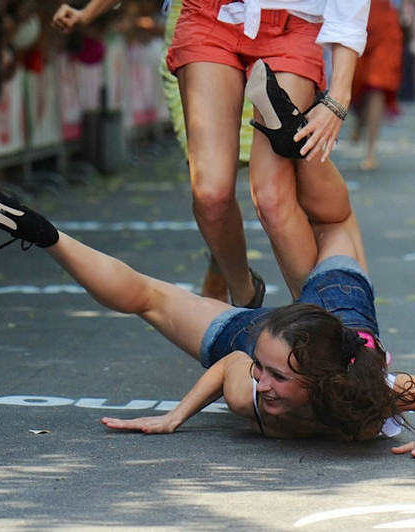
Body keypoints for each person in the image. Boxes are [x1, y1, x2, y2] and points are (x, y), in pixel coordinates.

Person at [0, 180, 415, 458]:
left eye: (273, 377)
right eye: (262, 371)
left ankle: (292, 128)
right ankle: (42, 232)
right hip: (312, 315)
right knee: (335, 219)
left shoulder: (366, 391)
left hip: (295, 331)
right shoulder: (255, 385)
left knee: (154, 297)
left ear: (325, 383)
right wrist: (175, 416)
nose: (258, 381)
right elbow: (235, 360)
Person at [51, 0, 367, 307]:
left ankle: (327, 328)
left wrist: (338, 97)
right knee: (210, 196)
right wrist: (88, 12)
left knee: (272, 198)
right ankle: (245, 300)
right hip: (208, 17)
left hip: (292, 23)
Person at [349, 0, 405, 171]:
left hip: (386, 27)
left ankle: (370, 151)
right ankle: (360, 122)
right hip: (358, 20)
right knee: (357, 83)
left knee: (377, 85)